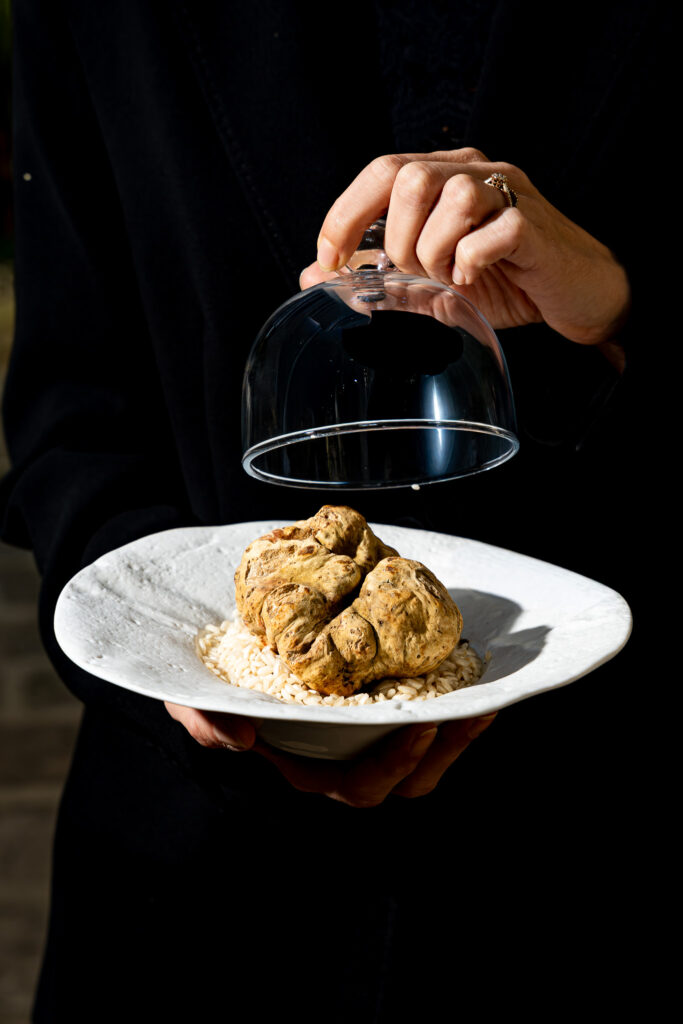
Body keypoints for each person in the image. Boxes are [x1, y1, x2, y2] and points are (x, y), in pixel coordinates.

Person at [0, 1, 664, 1020]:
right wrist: (171, 651)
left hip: (592, 844)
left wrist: (617, 308)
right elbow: (71, 412)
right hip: (200, 903)